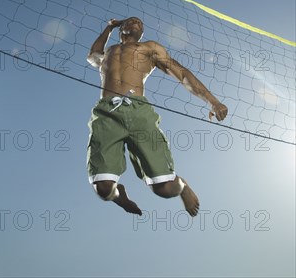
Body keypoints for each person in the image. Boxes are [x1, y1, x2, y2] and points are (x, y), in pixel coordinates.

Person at [86, 17, 228, 217]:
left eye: (140, 23)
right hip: (106, 112)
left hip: (137, 110)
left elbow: (182, 74)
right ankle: (120, 197)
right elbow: (92, 55)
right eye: (132, 20)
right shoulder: (108, 52)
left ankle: (182, 185)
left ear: (141, 33)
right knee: (103, 189)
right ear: (122, 28)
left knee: (164, 189)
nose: (137, 22)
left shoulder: (149, 48)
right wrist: (109, 27)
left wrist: (212, 101)